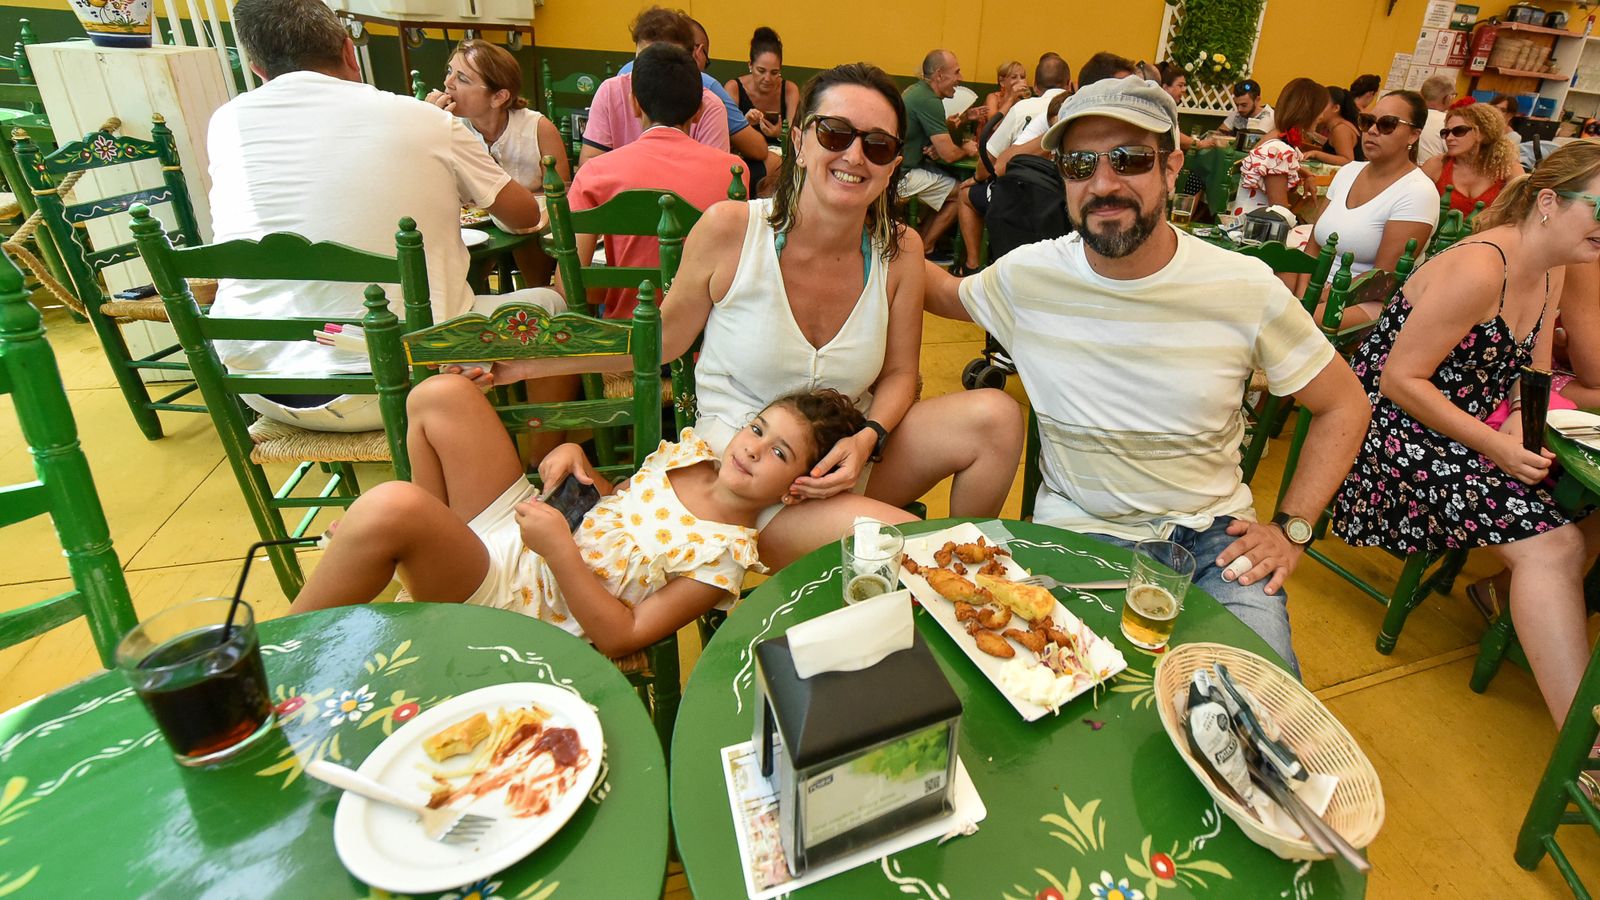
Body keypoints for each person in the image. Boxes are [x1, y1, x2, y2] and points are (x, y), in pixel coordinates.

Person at [476, 63, 1025, 569]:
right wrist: (528, 366)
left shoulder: (897, 249)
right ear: (800, 141)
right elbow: (660, 340)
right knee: (910, 551)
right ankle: (960, 587)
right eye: (835, 133)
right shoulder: (732, 230)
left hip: (846, 452)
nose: (855, 156)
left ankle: (963, 589)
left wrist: (868, 439)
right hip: (748, 474)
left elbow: (902, 373)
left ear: (892, 167)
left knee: (996, 419)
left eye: (877, 146)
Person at [922, 75, 1372, 673]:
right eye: (1081, 163)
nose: (1103, 183)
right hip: (1083, 537)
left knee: (1264, 713)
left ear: (1170, 167)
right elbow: (938, 289)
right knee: (1074, 707)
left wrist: (1291, 530)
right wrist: (871, 227)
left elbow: (1345, 404)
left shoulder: (1242, 287)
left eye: (1129, 159)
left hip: (1216, 546)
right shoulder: (1030, 277)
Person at [287, 377, 866, 657]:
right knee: (440, 396)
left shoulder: (722, 558)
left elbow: (624, 636)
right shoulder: (691, 456)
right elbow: (623, 511)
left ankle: (271, 661)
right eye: (758, 428)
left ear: (797, 487)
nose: (753, 448)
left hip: (523, 601)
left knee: (392, 505)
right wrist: (578, 463)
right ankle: (412, 548)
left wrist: (560, 549)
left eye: (780, 454)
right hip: (524, 536)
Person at [1331, 141, 1600, 731]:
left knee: (1572, 523)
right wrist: (1497, 444)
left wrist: (1516, 423)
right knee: (1559, 546)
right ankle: (1585, 743)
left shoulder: (1554, 268)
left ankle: (1580, 725)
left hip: (1459, 427)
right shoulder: (1482, 267)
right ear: (1550, 203)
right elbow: (1399, 381)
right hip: (1388, 424)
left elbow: (1527, 368)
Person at [209, 0, 548, 433]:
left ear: (258, 70)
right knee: (549, 305)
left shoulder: (226, 124)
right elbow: (522, 217)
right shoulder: (426, 120)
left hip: (261, 383)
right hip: (407, 382)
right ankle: (543, 464)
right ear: (350, 52)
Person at [564, 43, 748, 319]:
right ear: (699, 110)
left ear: (635, 104)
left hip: (626, 340)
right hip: (703, 342)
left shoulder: (594, 173)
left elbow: (571, 285)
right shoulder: (734, 171)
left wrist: (625, 286)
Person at [427, 38, 568, 287]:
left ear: (499, 97)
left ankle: (535, 299)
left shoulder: (536, 127)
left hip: (530, 225)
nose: (448, 83)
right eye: (449, 72)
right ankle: (467, 303)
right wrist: (430, 125)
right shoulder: (451, 126)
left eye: (462, 79)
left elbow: (562, 190)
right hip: (471, 222)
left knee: (527, 234)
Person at [1307, 90, 1440, 326]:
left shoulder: (1417, 191)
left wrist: (1310, 300)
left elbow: (1380, 281)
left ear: (1413, 135)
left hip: (1369, 302)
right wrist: (1299, 292)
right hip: (1318, 288)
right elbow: (1312, 248)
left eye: (1387, 124)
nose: (1372, 130)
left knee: (1283, 322)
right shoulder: (1348, 172)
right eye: (1367, 121)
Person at [578, 8, 733, 164]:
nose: (650, 71)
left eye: (664, 64)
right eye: (642, 61)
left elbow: (713, 172)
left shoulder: (711, 106)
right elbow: (590, 163)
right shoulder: (610, 91)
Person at [902, 49, 978, 249]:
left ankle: (918, 243)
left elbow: (936, 139)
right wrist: (967, 148)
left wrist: (935, 145)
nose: (960, 79)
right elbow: (950, 154)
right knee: (962, 193)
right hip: (902, 175)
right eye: (957, 72)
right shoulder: (929, 101)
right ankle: (923, 248)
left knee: (946, 187)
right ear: (939, 75)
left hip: (900, 168)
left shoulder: (916, 91)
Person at [1227, 78, 1328, 217]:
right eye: (1320, 111)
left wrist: (1307, 174)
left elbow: (1276, 169)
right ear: (1308, 112)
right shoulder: (1279, 151)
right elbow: (1278, 211)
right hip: (1255, 229)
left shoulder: (1276, 136)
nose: (1322, 117)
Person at [725, 26, 800, 191]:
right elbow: (724, 136)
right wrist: (744, 123)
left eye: (775, 73)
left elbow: (797, 137)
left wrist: (780, 134)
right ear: (750, 65)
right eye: (761, 71)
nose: (768, 79)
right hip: (744, 159)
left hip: (781, 164)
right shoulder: (734, 88)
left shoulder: (789, 90)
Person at [1423, 102, 1520, 218]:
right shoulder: (1436, 165)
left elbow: (1522, 211)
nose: (1449, 138)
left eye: (1459, 131)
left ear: (1481, 134)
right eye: (1446, 132)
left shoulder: (1507, 167)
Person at [1304, 84, 1359, 166]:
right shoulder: (1338, 127)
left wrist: (1316, 154)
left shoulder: (1341, 129)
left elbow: (1347, 160)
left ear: (1335, 108)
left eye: (1322, 104)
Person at [1156, 61, 1197, 152]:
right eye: (1180, 85)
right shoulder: (1159, 109)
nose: (1184, 89)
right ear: (1165, 87)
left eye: (1184, 85)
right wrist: (1201, 144)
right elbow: (1176, 138)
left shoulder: (1170, 108)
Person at [1415, 74, 1456, 164]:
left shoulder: (1409, 114)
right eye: (1454, 95)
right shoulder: (1449, 123)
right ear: (1448, 98)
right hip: (1433, 174)